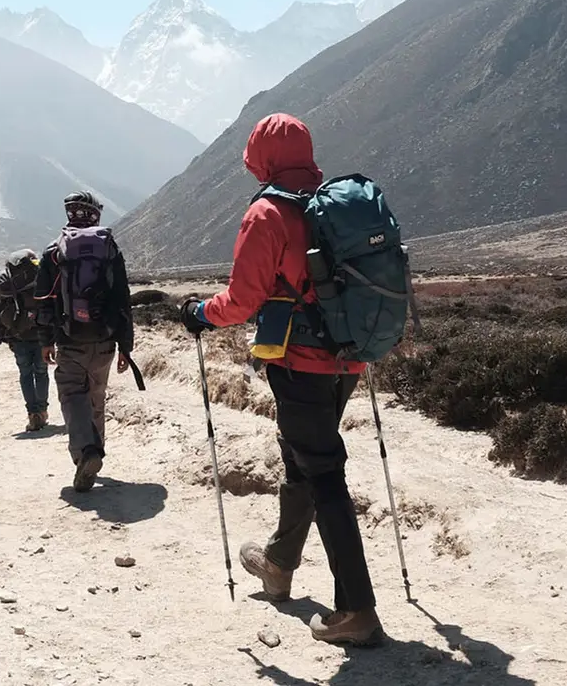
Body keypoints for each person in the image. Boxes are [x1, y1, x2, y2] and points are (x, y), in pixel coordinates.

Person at [179, 112, 382, 647]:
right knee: (304, 458)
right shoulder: (333, 206)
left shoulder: (268, 213)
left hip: (299, 362)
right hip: (348, 359)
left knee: (323, 473)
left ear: (262, 157)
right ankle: (278, 564)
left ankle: (356, 610)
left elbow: (242, 300)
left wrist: (199, 313)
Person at [34, 191, 135, 492]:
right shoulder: (110, 248)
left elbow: (43, 301)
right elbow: (122, 299)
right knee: (96, 397)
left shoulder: (55, 251)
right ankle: (96, 451)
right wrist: (125, 346)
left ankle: (86, 453)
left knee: (72, 395)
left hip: (70, 339)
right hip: (104, 340)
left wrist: (46, 340)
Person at [0, 249, 49, 432]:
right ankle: (42, 411)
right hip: (40, 337)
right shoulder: (38, 282)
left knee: (25, 375)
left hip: (18, 337)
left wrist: (4, 336)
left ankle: (32, 414)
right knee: (41, 373)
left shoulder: (9, 286)